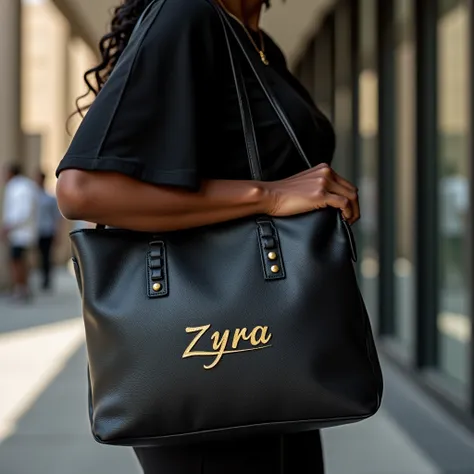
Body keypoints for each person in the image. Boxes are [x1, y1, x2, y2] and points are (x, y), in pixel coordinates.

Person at [55, 0, 360, 472]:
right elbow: (84, 189)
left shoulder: (257, 42)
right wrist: (269, 196)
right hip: (204, 354)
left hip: (279, 345)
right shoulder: (187, 13)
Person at [2, 163, 38, 302]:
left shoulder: (18, 187)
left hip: (20, 232)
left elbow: (22, 212)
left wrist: (8, 227)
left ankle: (20, 289)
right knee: (20, 261)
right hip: (23, 232)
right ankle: (22, 288)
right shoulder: (26, 186)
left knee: (17, 261)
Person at [36, 170, 62, 291]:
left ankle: (46, 279)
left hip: (47, 230)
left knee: (46, 256)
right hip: (35, 231)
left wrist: (57, 233)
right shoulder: (33, 196)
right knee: (38, 256)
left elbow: (56, 217)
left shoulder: (49, 198)